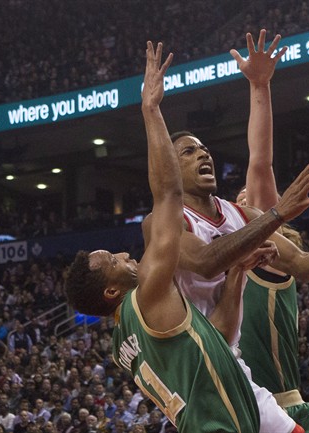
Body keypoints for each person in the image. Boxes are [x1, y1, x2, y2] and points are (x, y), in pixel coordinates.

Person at [153, 28, 309, 433]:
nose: (203, 153)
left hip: (265, 390)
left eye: (204, 148)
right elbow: (209, 259)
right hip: (210, 377)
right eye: (189, 151)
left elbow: (263, 169)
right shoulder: (173, 221)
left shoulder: (244, 216)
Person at [65, 41, 283, 433]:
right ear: (111, 291)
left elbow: (213, 337)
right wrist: (151, 110)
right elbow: (168, 194)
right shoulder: (148, 294)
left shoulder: (123, 345)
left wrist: (235, 274)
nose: (124, 254)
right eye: (114, 261)